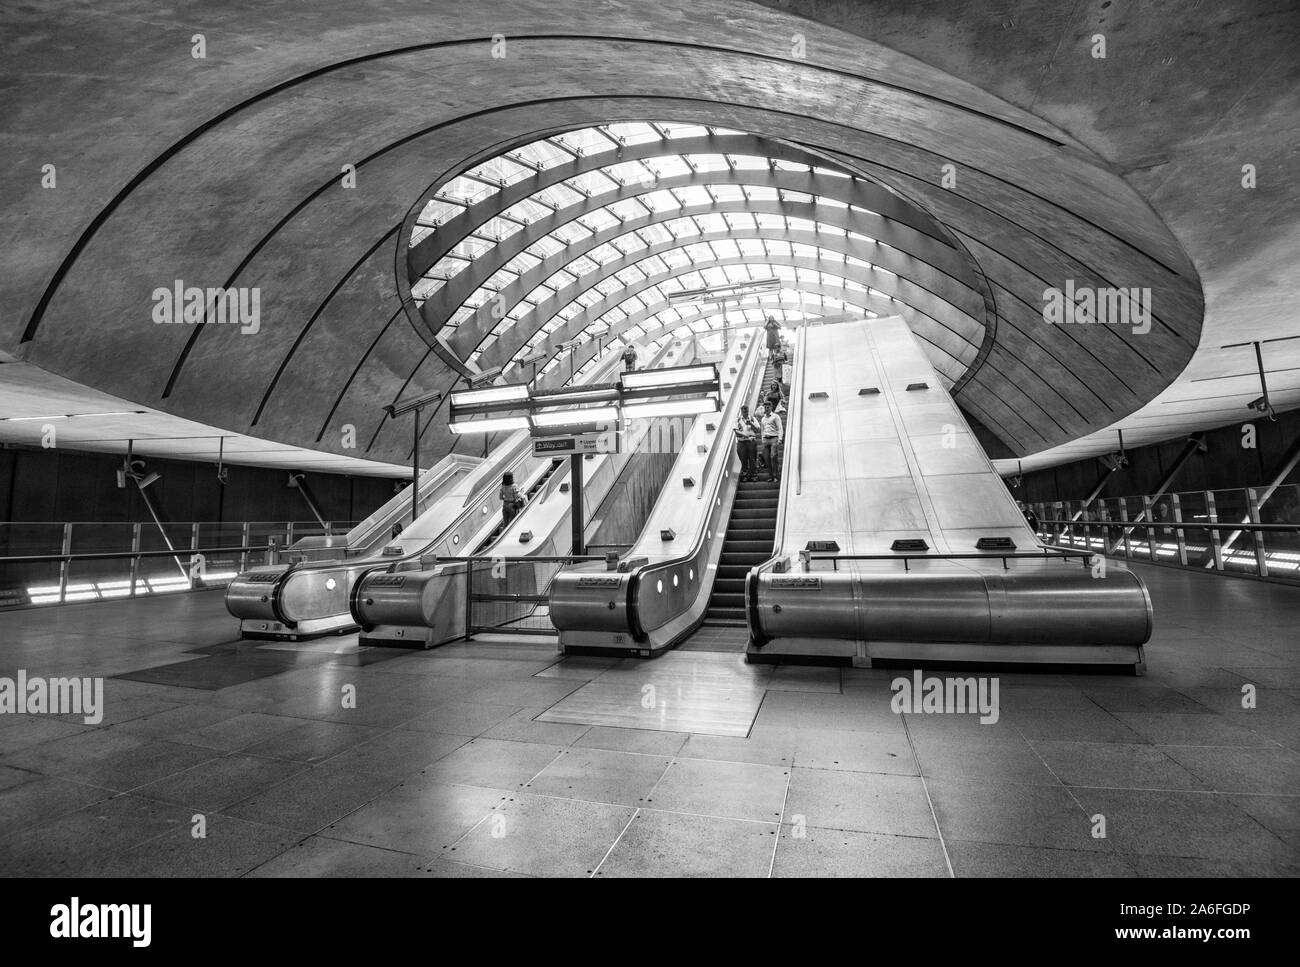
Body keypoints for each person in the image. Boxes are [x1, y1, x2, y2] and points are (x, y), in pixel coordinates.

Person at [759, 402, 783, 482]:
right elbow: (762, 430)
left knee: (773, 457)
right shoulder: (763, 419)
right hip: (766, 439)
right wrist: (762, 438)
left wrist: (780, 439)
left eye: (768, 407)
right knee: (766, 458)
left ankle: (776, 476)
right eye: (765, 407)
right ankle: (771, 476)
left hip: (774, 439)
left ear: (771, 407)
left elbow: (780, 428)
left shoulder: (775, 416)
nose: (766, 408)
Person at [734, 405, 759, 481]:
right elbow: (735, 431)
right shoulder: (737, 420)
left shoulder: (752, 419)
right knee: (743, 459)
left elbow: (757, 430)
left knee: (752, 459)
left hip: (751, 441)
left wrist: (750, 423)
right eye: (744, 411)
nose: (746, 413)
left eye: (747, 411)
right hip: (741, 442)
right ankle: (745, 475)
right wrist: (743, 434)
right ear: (741, 411)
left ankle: (754, 475)